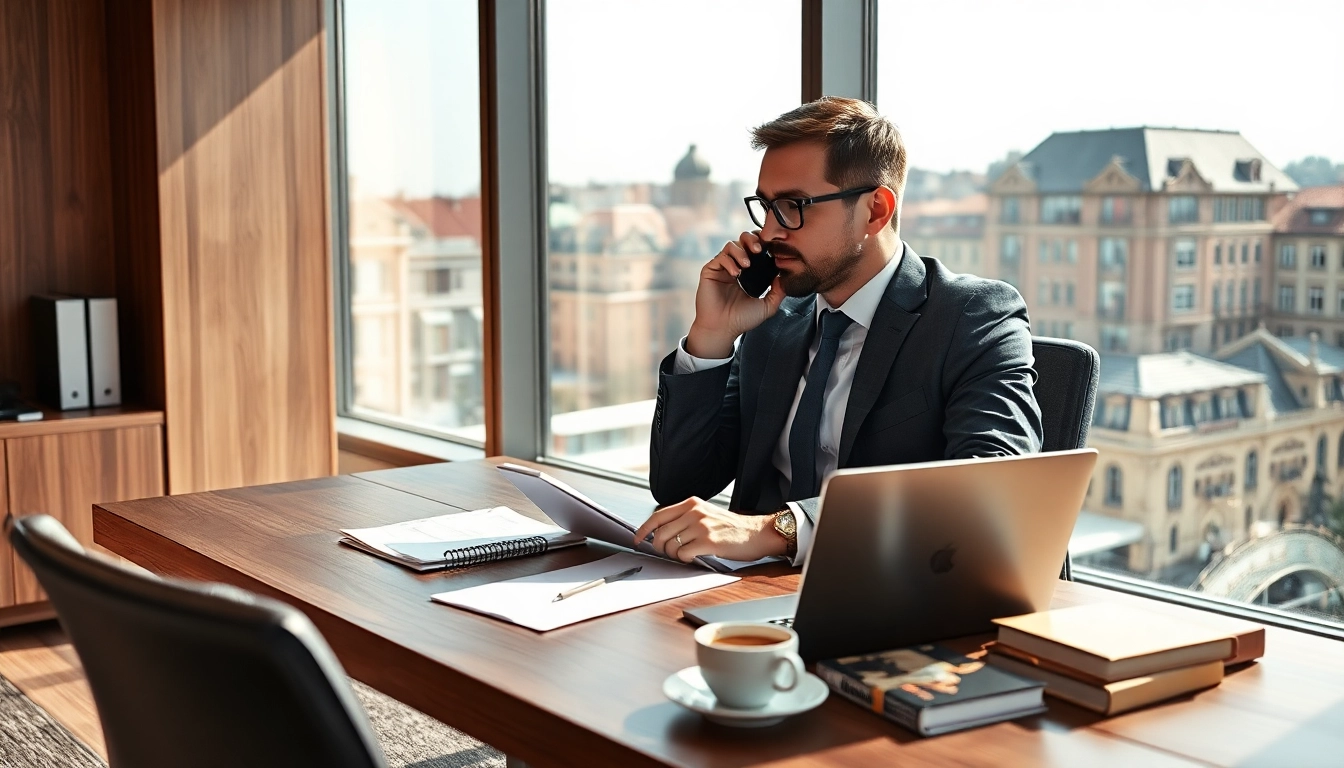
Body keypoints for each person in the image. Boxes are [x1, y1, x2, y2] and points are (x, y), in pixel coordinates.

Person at [633, 97, 1042, 565]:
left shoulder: (973, 316)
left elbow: (990, 487)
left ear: (875, 211)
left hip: (892, 594)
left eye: (793, 207)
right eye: (765, 208)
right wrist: (711, 337)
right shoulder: (774, 321)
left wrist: (779, 529)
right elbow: (678, 488)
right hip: (750, 597)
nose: (768, 232)